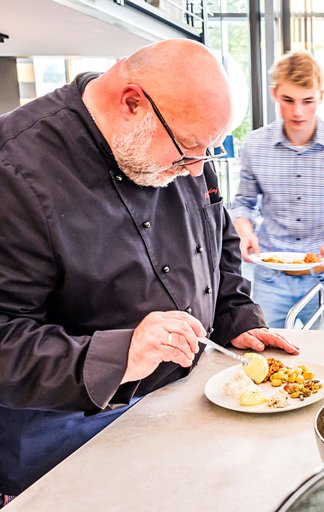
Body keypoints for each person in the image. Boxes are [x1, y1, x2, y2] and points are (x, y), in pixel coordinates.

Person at [0, 39, 298, 503]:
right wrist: (122, 353)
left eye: (208, 152)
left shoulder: (188, 150)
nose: (198, 168)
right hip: (63, 442)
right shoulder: (13, 170)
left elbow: (218, 241)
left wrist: (235, 315)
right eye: (186, 151)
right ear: (133, 102)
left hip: (180, 404)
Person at [231, 50, 324, 328]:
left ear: (320, 96)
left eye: (307, 101)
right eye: (288, 100)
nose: (298, 111)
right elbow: (244, 203)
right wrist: (245, 232)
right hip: (270, 276)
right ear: (275, 94)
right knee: (266, 358)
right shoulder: (254, 145)